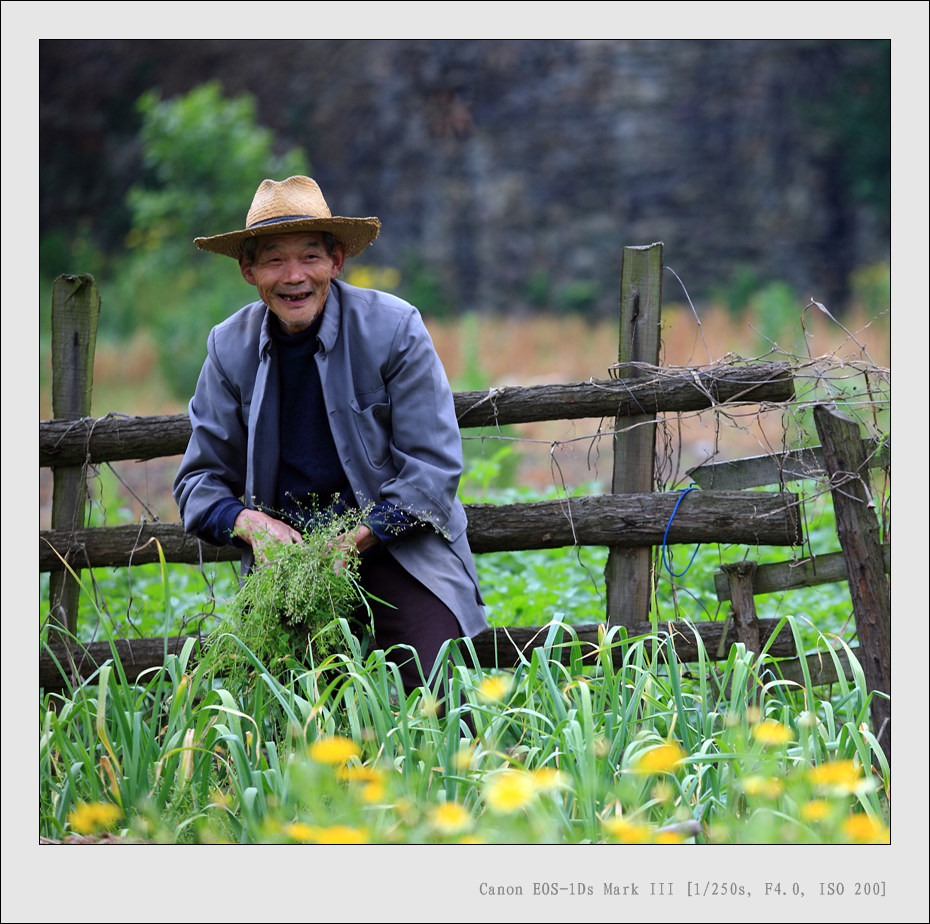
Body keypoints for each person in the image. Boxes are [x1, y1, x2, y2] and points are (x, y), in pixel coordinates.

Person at [173, 175, 486, 697]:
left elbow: (433, 471)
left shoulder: (393, 327)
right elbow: (198, 482)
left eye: (310, 257)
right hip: (290, 573)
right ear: (249, 270)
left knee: (436, 707)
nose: (294, 277)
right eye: (274, 259)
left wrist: (352, 542)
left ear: (336, 261)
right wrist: (249, 522)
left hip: (398, 550)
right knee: (280, 721)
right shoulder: (229, 348)